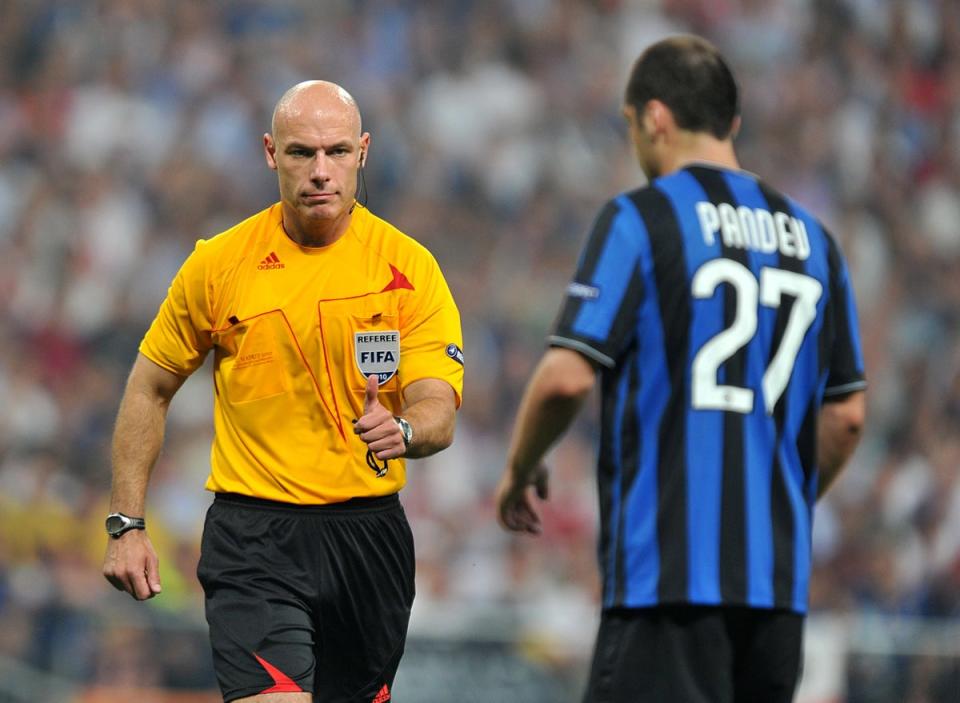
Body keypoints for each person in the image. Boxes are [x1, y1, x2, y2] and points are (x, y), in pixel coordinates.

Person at [496, 35, 866, 703]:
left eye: (631, 124)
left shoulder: (641, 217)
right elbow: (846, 416)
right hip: (777, 596)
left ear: (654, 117)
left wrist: (519, 470)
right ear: (733, 124)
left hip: (667, 582)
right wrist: (773, 496)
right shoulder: (816, 240)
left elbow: (565, 377)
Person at [102, 80, 464, 703]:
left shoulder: (410, 269)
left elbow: (438, 405)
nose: (320, 171)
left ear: (363, 153)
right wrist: (126, 523)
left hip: (368, 540)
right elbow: (149, 388)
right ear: (271, 153)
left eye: (337, 151)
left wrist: (405, 430)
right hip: (253, 535)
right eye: (302, 153)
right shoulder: (219, 265)